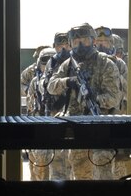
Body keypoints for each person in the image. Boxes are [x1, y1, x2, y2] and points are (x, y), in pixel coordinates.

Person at [47, 23, 121, 180]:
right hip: (75, 130)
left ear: (93, 41)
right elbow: (51, 87)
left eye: (84, 40)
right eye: (75, 42)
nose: (80, 45)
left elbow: (114, 98)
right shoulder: (67, 65)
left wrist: (94, 98)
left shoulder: (106, 64)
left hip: (100, 126)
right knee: (81, 179)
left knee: (103, 177)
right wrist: (68, 81)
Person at [95, 26, 130, 179]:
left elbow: (127, 87)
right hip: (97, 119)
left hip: (117, 118)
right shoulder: (91, 63)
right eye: (99, 41)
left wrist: (113, 68)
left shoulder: (120, 64)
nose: (102, 44)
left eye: (106, 41)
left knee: (119, 168)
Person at [38, 32, 72, 180]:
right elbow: (43, 85)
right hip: (53, 115)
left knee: (72, 160)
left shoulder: (74, 62)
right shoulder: (52, 62)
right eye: (60, 45)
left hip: (70, 115)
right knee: (56, 161)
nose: (63, 48)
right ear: (55, 46)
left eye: (66, 45)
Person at [26, 47, 55, 180]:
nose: (48, 64)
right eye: (45, 61)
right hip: (39, 129)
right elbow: (31, 109)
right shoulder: (35, 83)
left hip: (58, 131)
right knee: (38, 172)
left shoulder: (63, 81)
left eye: (52, 60)